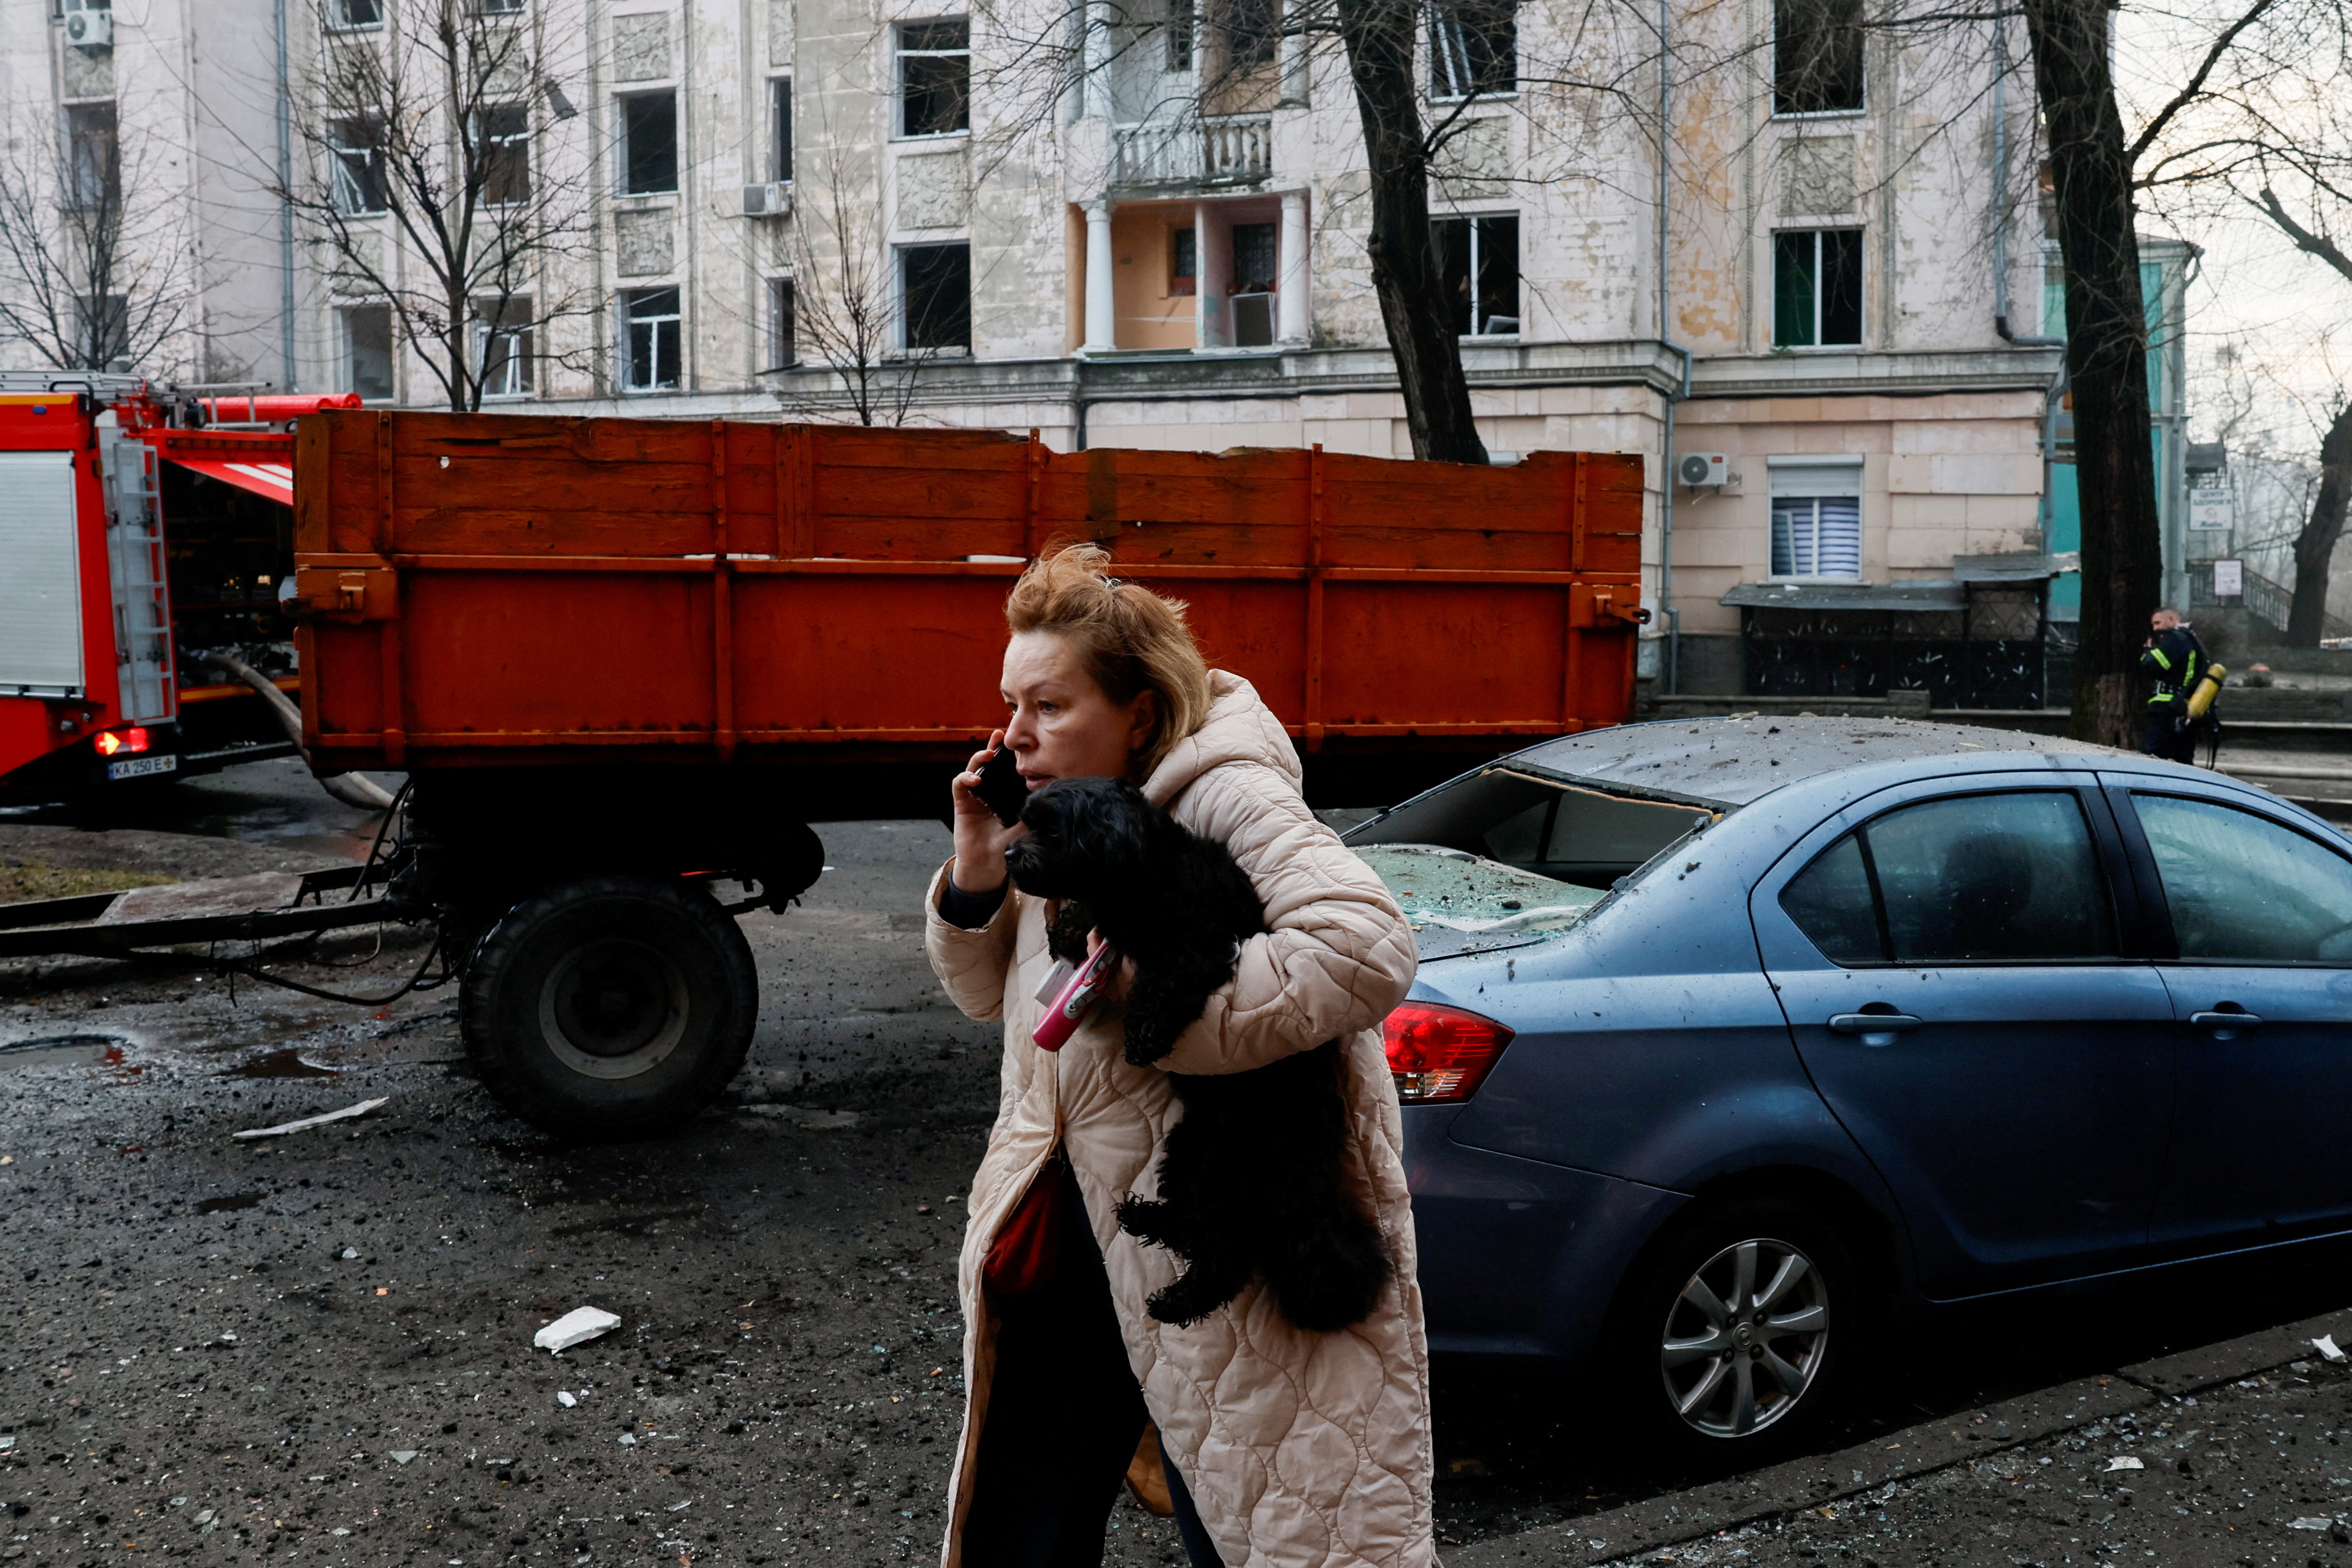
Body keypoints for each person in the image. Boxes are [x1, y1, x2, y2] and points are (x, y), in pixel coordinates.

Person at [923, 544, 1433, 1568]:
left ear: (1142, 713)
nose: (1017, 736)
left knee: (1257, 1530)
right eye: (1010, 704)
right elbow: (991, 997)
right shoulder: (1065, 807)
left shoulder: (1224, 793)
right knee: (1019, 1535)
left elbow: (1366, 950)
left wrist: (1152, 1016)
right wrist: (976, 871)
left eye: (1051, 706)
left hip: (1221, 1243)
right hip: (1067, 1237)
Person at [2139, 607, 2209, 764]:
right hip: (2183, 709)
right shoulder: (2192, 640)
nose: (2155, 628)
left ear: (2171, 619)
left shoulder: (2176, 638)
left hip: (2166, 709)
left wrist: (2147, 652)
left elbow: (2152, 665)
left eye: (2158, 623)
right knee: (2182, 760)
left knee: (2149, 757)